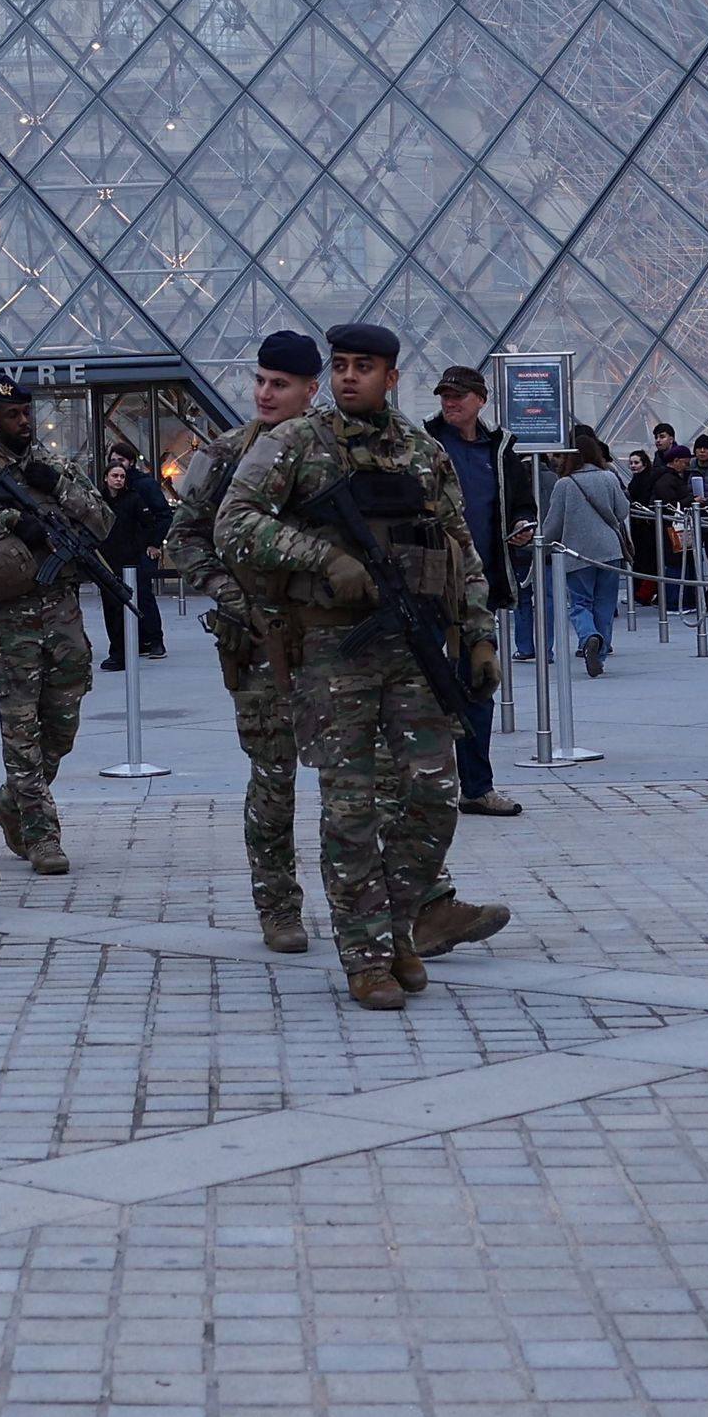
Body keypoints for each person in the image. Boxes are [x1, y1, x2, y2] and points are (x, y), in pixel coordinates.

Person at [216, 322, 509, 1012]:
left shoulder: (418, 450)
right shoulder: (297, 443)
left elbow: (458, 547)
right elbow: (234, 521)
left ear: (392, 377)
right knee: (349, 814)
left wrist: (479, 634)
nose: (350, 377)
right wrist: (323, 557)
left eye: (365, 366)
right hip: (332, 654)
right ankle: (368, 954)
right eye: (341, 365)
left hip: (413, 651)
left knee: (434, 797)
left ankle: (399, 921)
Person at [167, 332, 328, 952]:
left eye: (279, 384)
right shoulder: (229, 453)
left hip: (334, 636)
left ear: (310, 390)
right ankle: (278, 905)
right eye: (260, 380)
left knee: (355, 779)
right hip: (259, 642)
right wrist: (236, 599)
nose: (264, 393)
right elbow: (183, 539)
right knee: (273, 775)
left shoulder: (335, 453)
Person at [0, 376, 113, 877]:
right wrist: (9, 523)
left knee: (61, 731)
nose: (23, 421)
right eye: (12, 414)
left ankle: (8, 803)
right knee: (21, 735)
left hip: (63, 619)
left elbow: (103, 524)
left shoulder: (58, 469)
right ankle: (42, 837)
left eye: (27, 412)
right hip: (10, 625)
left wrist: (58, 488)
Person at [425, 364, 519, 815]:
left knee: (479, 686)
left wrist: (521, 526)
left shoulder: (500, 451)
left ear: (481, 399)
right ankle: (420, 791)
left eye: (460, 394)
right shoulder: (421, 444)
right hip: (424, 588)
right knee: (418, 689)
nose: (451, 401)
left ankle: (477, 788)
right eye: (445, 394)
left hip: (476, 589)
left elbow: (521, 504)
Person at [537, 424, 630, 673]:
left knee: (580, 603)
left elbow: (553, 523)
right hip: (610, 551)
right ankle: (600, 653)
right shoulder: (609, 477)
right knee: (605, 603)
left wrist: (542, 546)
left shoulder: (565, 484)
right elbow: (622, 511)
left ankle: (588, 635)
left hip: (576, 552)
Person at [98, 451, 174, 670]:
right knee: (111, 607)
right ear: (106, 477)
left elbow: (152, 521)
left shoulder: (137, 494)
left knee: (140, 597)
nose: (119, 479)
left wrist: (147, 545)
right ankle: (122, 647)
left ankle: (149, 640)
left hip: (130, 559)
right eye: (115, 474)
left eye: (122, 474)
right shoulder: (100, 499)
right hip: (107, 558)